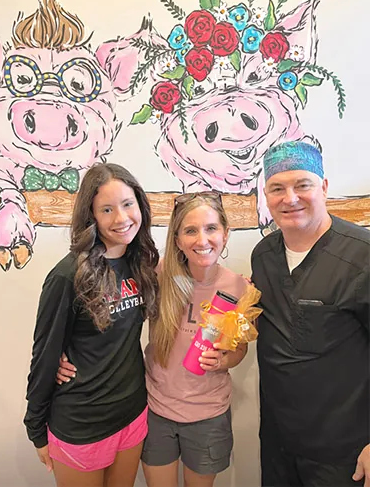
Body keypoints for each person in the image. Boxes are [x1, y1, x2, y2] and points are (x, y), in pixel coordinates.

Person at [58, 191, 251, 487]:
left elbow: (240, 349)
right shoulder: (156, 277)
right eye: (190, 230)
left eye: (211, 228)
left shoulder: (239, 288)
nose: (202, 240)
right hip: (156, 410)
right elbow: (114, 319)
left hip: (209, 416)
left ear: (225, 234)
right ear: (176, 240)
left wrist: (225, 360)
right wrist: (64, 353)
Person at [24, 163, 159, 487]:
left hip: (131, 412)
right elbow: (44, 355)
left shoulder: (141, 263)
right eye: (107, 209)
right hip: (81, 424)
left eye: (128, 204)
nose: (122, 218)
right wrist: (36, 428)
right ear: (92, 216)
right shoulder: (68, 275)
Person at [251, 141, 370, 487]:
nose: (290, 198)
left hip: (343, 452)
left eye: (302, 185)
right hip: (278, 444)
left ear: (325, 188)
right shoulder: (263, 256)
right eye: (277, 188)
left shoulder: (361, 258)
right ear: (266, 195)